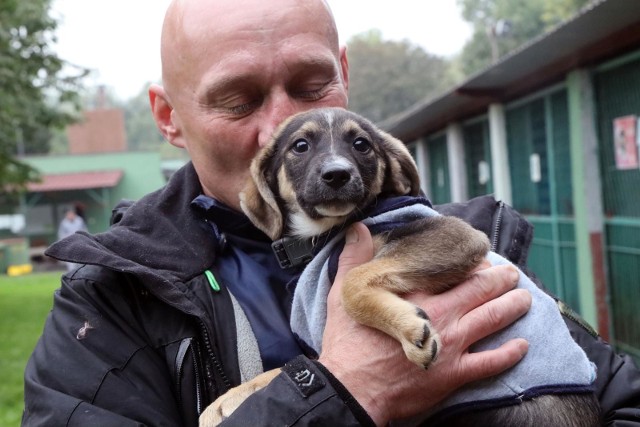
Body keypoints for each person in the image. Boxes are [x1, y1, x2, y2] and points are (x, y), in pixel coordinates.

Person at [22, 0, 640, 426]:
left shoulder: (460, 233)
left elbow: (617, 401)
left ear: (343, 73)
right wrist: (343, 391)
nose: (284, 124)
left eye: (312, 85)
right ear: (167, 117)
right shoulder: (108, 301)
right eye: (239, 100)